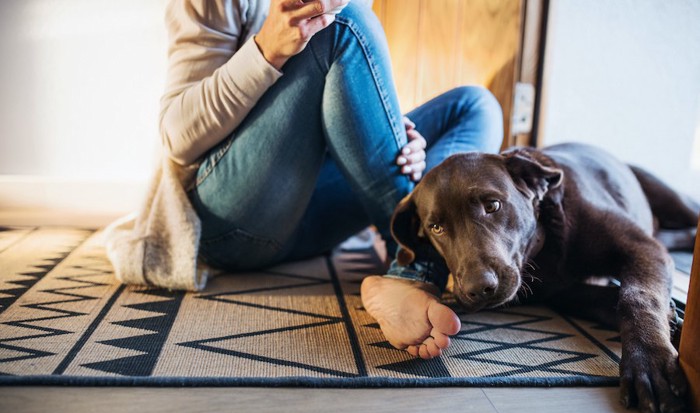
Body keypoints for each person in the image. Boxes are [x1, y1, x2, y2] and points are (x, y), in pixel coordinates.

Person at [105, 0, 503, 360]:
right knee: (340, 23)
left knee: (474, 105)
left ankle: (416, 262)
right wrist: (267, 49)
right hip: (230, 221)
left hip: (316, 217)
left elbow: (337, 99)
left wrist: (393, 132)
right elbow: (177, 137)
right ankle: (417, 263)